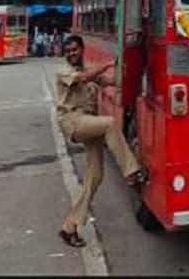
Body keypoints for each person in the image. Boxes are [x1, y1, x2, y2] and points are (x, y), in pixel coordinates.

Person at [54, 35, 146, 247]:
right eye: (68, 51)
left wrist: (136, 75)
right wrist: (105, 64)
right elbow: (84, 78)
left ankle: (70, 226)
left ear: (82, 49)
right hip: (73, 121)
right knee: (110, 124)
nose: (71, 54)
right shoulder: (64, 71)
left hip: (89, 120)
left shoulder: (87, 69)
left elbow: (110, 82)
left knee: (95, 176)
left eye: (74, 50)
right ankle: (131, 171)